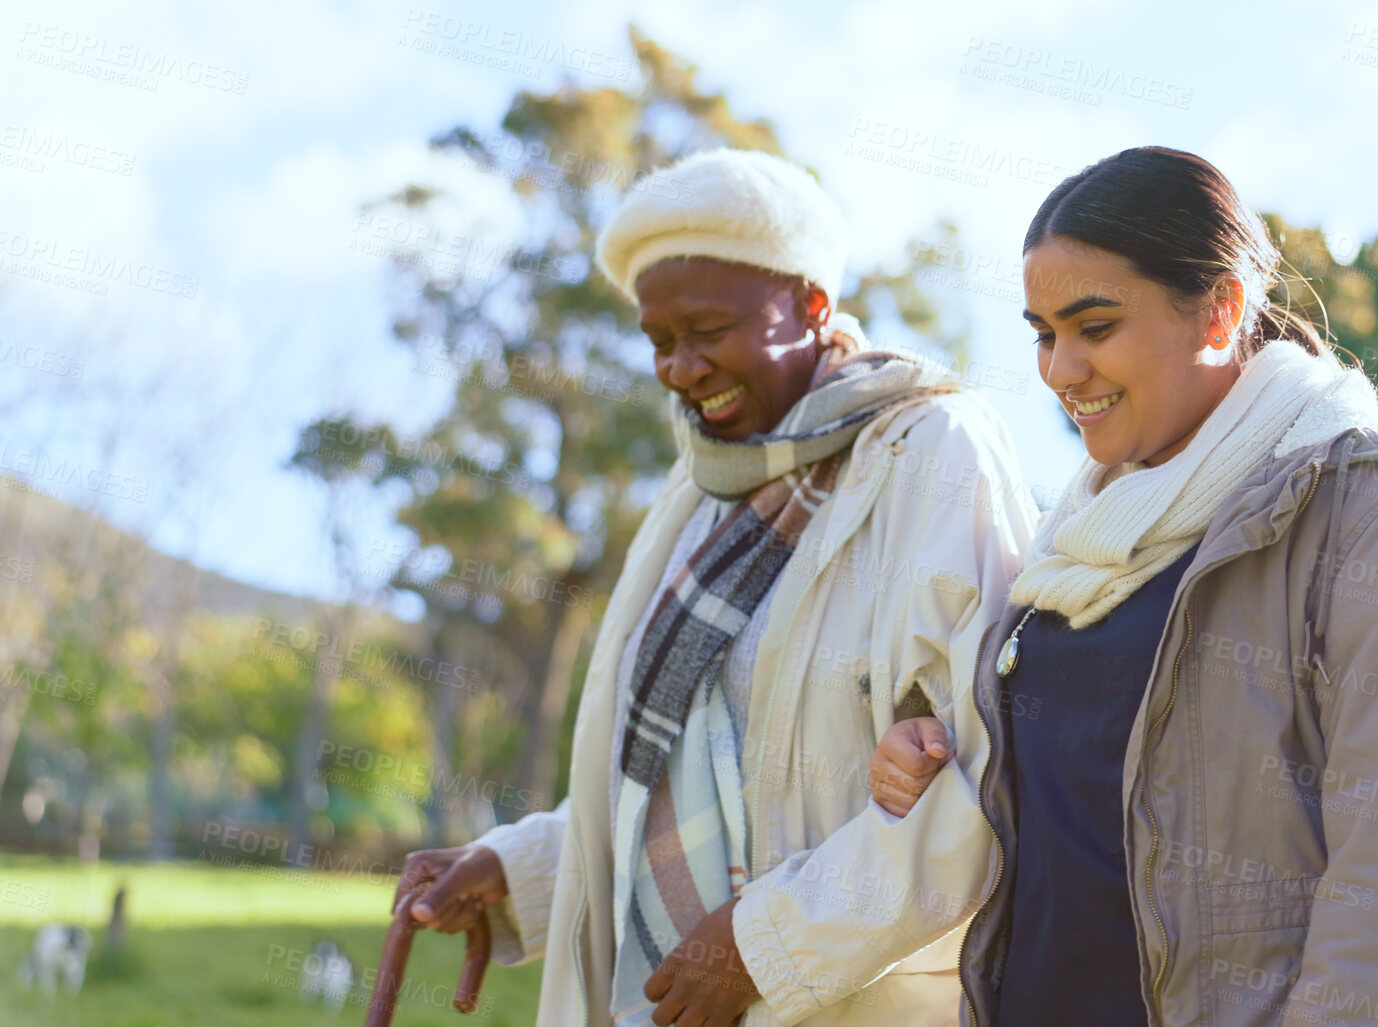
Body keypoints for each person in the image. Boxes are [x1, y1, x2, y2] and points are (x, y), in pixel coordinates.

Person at [392, 148, 1040, 1027]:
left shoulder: (933, 451)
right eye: (659, 341)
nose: (679, 368)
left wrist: (765, 944)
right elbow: (672, 774)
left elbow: (991, 774)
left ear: (812, 305)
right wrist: (522, 867)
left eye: (706, 329)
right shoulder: (697, 493)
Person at [869, 146, 1378, 1026]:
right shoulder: (1078, 535)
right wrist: (937, 744)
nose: (1058, 370)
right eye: (1043, 334)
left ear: (1218, 309)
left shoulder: (1373, 506)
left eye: (1093, 328)